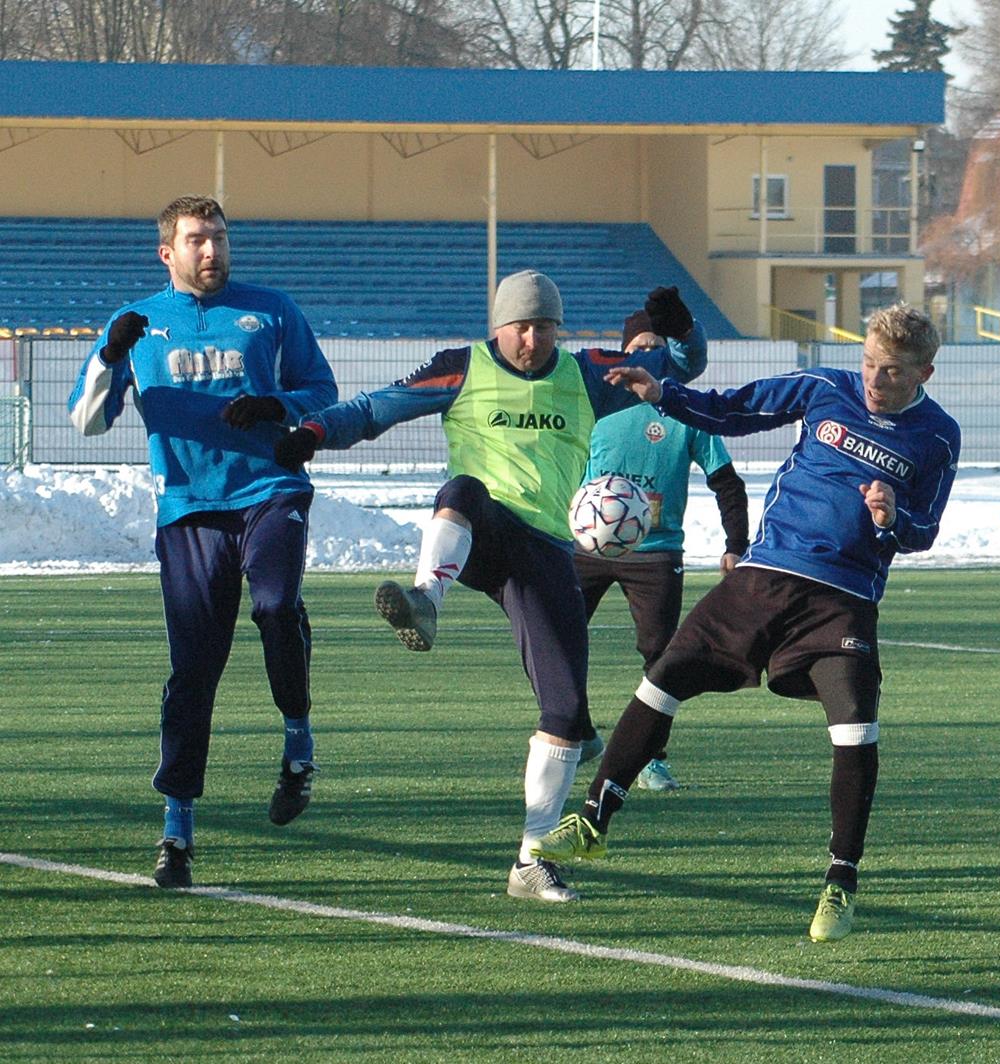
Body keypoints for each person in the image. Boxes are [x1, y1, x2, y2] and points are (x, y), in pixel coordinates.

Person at [527, 302, 960, 943]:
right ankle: (594, 818)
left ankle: (840, 885)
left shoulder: (937, 436)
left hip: (842, 600)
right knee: (664, 676)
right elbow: (734, 408)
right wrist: (665, 394)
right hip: (764, 575)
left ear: (924, 371)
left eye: (892, 371)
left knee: (857, 729)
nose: (874, 379)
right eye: (869, 362)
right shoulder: (824, 388)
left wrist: (892, 516)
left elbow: (924, 532)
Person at [273, 275, 706, 904]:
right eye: (519, 327)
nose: (530, 340)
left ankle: (531, 862)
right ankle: (426, 599)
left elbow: (684, 365)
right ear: (496, 326)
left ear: (559, 328)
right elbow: (374, 409)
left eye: (543, 327)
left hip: (548, 554)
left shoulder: (589, 375)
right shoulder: (462, 368)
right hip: (480, 533)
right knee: (463, 489)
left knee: (564, 712)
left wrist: (680, 324)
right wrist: (313, 432)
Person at [67, 194, 338, 889]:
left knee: (277, 606)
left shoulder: (271, 309)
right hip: (188, 508)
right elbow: (86, 424)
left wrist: (279, 405)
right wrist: (107, 355)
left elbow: (322, 389)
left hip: (270, 491)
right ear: (168, 252)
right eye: (196, 240)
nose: (211, 251)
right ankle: (177, 832)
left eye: (219, 238)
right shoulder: (137, 323)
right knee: (194, 669)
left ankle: (298, 746)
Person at [574, 309, 750, 792]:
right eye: (638, 348)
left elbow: (727, 482)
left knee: (660, 657)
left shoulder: (684, 411)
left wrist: (737, 544)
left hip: (655, 553)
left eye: (656, 347)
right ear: (624, 353)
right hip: (587, 548)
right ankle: (576, 730)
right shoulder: (596, 408)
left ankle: (650, 757)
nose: (646, 356)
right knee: (559, 639)